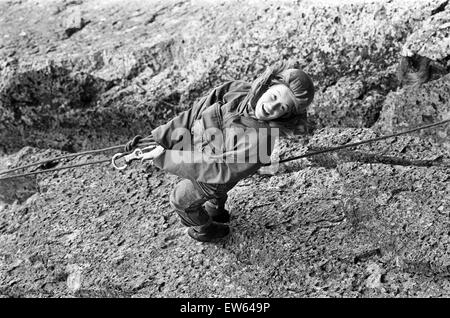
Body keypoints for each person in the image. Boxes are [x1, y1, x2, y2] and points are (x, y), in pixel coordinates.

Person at [125, 61, 315, 242]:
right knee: (214, 197)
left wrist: (163, 156)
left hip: (215, 176)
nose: (271, 107)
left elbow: (220, 170)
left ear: (287, 114)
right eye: (274, 97)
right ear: (267, 86)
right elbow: (193, 114)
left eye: (282, 107)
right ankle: (216, 211)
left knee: (180, 199)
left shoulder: (263, 140)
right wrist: (157, 139)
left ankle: (205, 229)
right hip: (200, 146)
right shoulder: (235, 90)